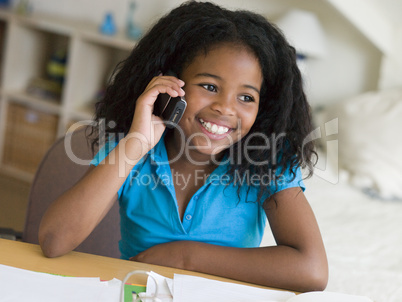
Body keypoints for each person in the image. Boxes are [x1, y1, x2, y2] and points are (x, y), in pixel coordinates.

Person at [39, 1, 328, 292]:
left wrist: (186, 257)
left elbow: (312, 270)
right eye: (209, 87)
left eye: (246, 97)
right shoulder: (132, 150)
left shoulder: (267, 163)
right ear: (169, 85)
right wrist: (137, 143)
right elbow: (54, 241)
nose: (225, 108)